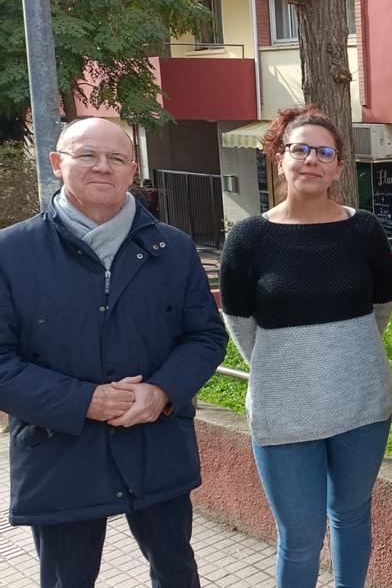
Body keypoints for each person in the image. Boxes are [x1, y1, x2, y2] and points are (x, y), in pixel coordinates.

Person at [0, 117, 227, 587]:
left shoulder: (174, 248)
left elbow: (206, 336)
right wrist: (86, 401)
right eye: (87, 155)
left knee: (176, 574)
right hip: (60, 454)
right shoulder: (11, 253)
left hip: (156, 446)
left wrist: (163, 391)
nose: (102, 167)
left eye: (116, 158)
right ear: (57, 164)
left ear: (133, 171)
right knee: (67, 580)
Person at [219, 106, 392, 588]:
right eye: (300, 149)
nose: (311, 160)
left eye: (325, 152)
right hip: (284, 412)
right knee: (299, 536)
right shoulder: (249, 238)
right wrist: (290, 368)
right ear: (279, 158)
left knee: (352, 516)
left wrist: (343, 357)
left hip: (362, 404)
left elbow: (382, 308)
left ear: (339, 165)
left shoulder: (365, 231)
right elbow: (239, 324)